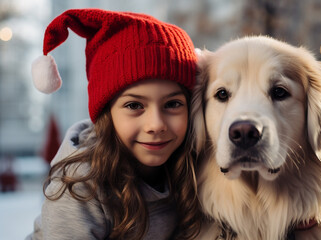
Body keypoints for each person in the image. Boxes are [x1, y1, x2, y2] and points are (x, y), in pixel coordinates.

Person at [26, 8, 201, 240]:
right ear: (106, 114)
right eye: (134, 106)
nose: (156, 124)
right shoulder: (82, 185)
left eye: (172, 104)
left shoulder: (190, 166)